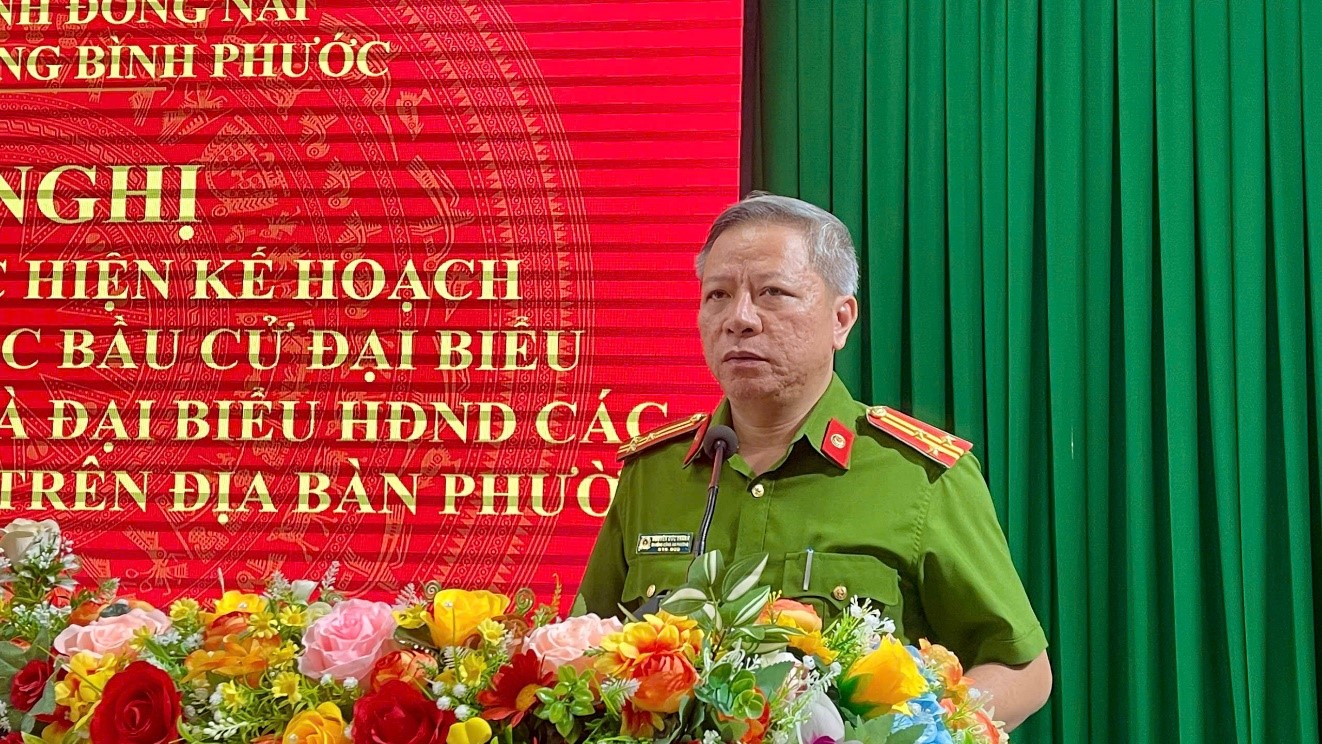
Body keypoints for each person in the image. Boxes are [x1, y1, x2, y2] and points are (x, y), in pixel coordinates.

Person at [572, 192, 1052, 730]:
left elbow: (1022, 668)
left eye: (772, 293)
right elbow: (586, 651)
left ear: (841, 319)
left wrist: (917, 733)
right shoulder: (655, 473)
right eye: (718, 295)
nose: (739, 319)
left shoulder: (918, 476)